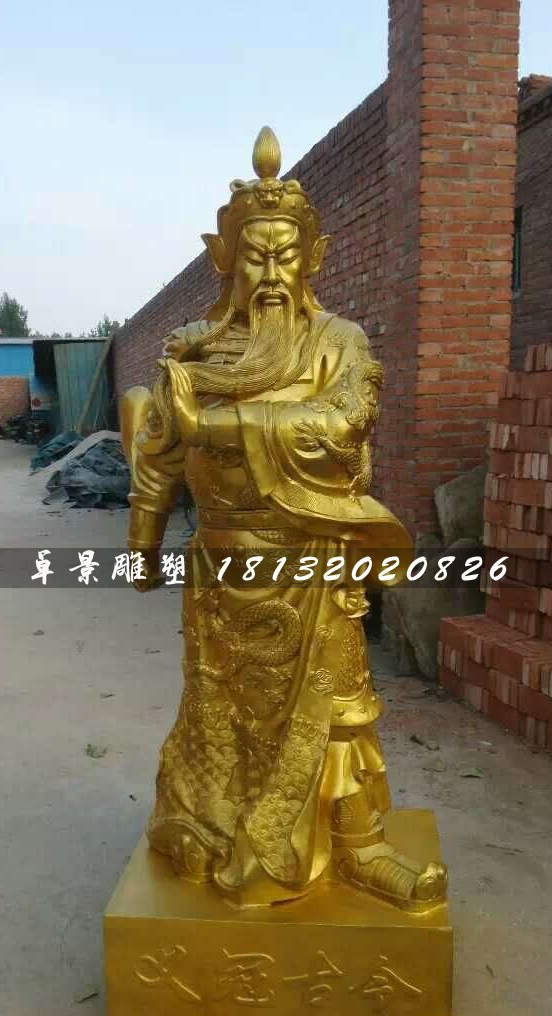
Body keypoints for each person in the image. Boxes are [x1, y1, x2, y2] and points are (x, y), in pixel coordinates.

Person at [121, 127, 447, 910]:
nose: (270, 275)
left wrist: (219, 427)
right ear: (226, 262)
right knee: (221, 717)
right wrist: (143, 540)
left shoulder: (341, 344)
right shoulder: (195, 352)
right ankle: (220, 828)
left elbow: (340, 425)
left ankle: (360, 845)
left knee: (341, 707)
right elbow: (159, 442)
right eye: (254, 258)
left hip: (311, 563)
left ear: (311, 260)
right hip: (221, 568)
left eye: (285, 256)